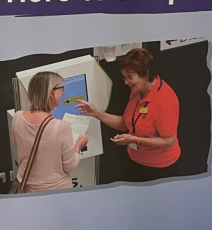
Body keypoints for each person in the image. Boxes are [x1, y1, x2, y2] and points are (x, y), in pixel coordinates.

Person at [77, 48, 181, 182]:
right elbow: (125, 123)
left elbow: (168, 141)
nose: (126, 82)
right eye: (124, 77)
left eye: (130, 77)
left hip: (160, 168)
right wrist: (95, 113)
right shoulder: (137, 92)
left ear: (146, 74)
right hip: (136, 161)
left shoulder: (164, 101)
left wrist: (134, 140)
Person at [11, 71, 88, 192]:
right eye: (60, 88)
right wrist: (78, 145)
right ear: (49, 93)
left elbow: (19, 143)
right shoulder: (61, 127)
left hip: (26, 189)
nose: (63, 92)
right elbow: (69, 166)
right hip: (56, 193)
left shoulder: (17, 117)